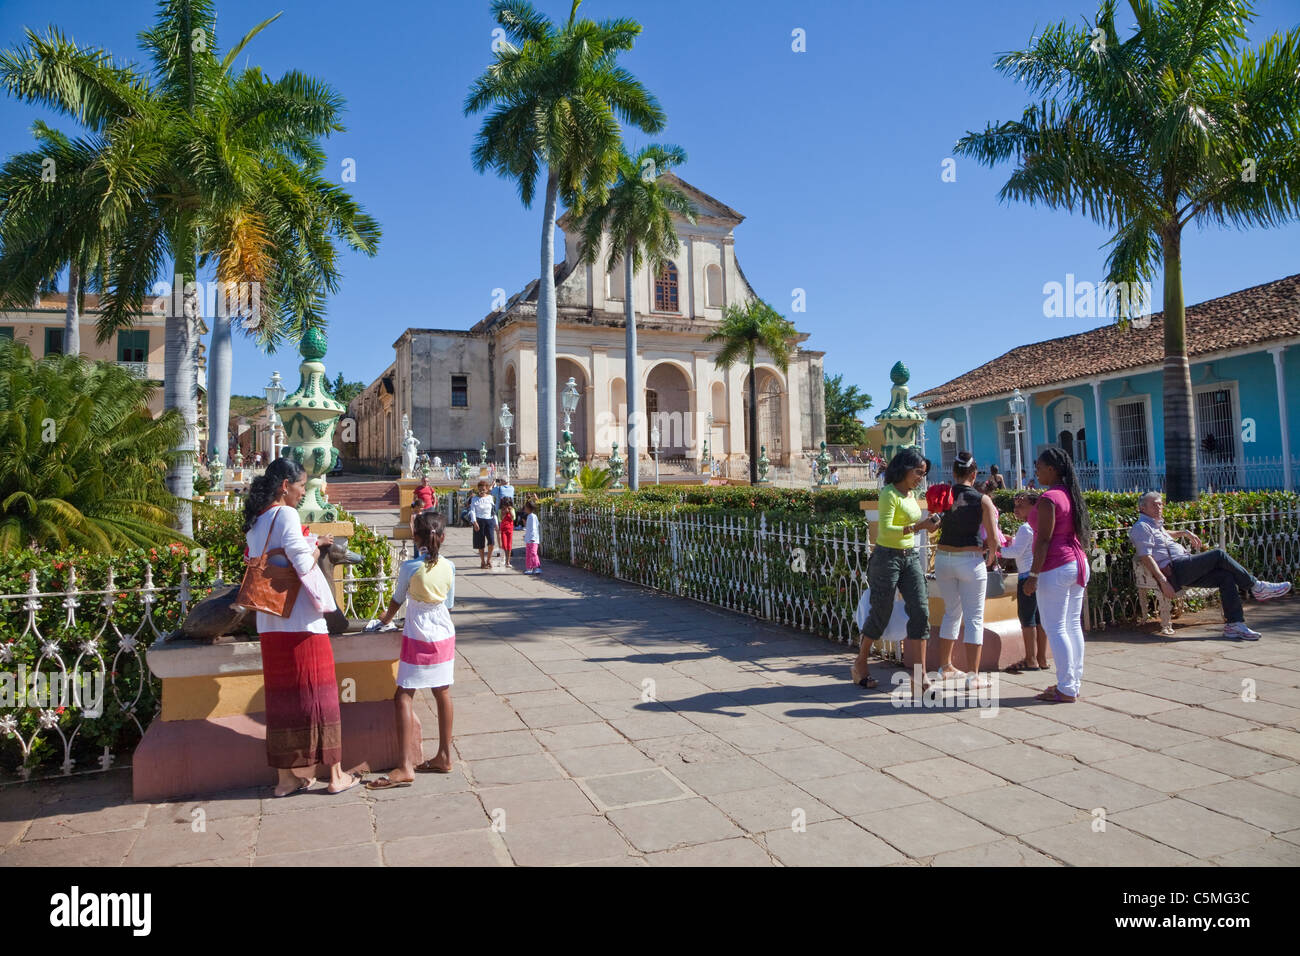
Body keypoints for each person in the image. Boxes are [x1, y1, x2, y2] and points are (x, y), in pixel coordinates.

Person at [243, 458, 362, 796]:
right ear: (285, 485)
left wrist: (307, 543)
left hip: (269, 620)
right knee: (320, 695)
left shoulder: (257, 520)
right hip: (301, 622)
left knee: (281, 701)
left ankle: (284, 780)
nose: (302, 493)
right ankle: (336, 775)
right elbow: (298, 562)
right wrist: (317, 546)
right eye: (301, 486)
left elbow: (269, 558)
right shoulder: (287, 515)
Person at [363, 511, 456, 787]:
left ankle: (404, 766)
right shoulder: (449, 567)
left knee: (403, 695)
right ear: (443, 537)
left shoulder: (409, 568)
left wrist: (383, 621)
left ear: (416, 538)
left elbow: (395, 601)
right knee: (443, 691)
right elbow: (448, 603)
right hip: (443, 630)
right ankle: (445, 755)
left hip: (418, 633)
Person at [1130, 492, 1291, 640]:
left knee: (1225, 577)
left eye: (1160, 504)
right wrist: (1163, 582)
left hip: (1184, 566)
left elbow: (1164, 534)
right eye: (1154, 505)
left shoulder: (1154, 524)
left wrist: (1184, 533)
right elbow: (1146, 556)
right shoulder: (1141, 527)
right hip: (1176, 570)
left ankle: (1234, 625)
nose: (1159, 507)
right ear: (1142, 508)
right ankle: (1257, 586)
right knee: (1218, 555)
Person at [850, 447, 940, 693]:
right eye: (918, 472)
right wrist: (919, 526)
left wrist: (930, 522)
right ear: (904, 469)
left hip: (909, 557)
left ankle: (919, 677)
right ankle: (860, 662)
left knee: (921, 610)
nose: (921, 477)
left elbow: (913, 524)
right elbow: (886, 530)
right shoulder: (888, 493)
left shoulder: (912, 495)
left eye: (923, 473)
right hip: (886, 557)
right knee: (881, 610)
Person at [1023, 445, 1091, 703]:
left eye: (1039, 468)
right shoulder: (1070, 494)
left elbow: (1043, 540)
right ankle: (1071, 683)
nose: (1036, 472)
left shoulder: (1050, 498)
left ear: (1052, 469)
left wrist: (1033, 575)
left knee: (1055, 627)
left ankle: (1066, 687)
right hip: (1076, 563)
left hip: (1057, 566)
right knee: (1073, 626)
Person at [933, 452, 1002, 689]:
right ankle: (973, 675)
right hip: (970, 560)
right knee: (974, 617)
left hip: (943, 558)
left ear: (954, 473)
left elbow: (935, 522)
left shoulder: (945, 495)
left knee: (951, 613)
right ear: (974, 475)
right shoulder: (983, 500)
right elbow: (992, 537)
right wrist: (992, 556)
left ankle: (945, 666)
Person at [1003, 492, 1048, 673]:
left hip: (1026, 577)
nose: (1016, 509)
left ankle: (1030, 659)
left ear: (1033, 507)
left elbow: (1015, 553)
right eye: (1015, 505)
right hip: (1040, 575)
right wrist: (1011, 541)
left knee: (1027, 618)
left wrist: (995, 548)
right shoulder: (1038, 526)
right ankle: (1041, 658)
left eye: (1021, 505)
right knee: (1039, 619)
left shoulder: (1025, 528)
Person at [470, 479, 497, 569]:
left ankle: (489, 560)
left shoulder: (490, 498)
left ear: (486, 489)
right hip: (479, 521)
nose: (482, 491)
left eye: (483, 489)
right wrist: (474, 522)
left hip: (489, 520)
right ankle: (482, 561)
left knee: (491, 542)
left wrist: (496, 523)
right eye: (480, 489)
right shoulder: (474, 499)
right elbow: (472, 511)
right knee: (480, 543)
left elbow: (493, 511)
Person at [523, 499, 542, 574]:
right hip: (529, 539)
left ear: (529, 508)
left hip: (533, 539)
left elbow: (534, 528)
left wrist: (533, 538)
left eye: (525, 507)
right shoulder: (529, 516)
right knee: (528, 554)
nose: (525, 509)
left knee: (533, 553)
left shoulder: (532, 516)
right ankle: (529, 568)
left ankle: (537, 567)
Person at [499, 496, 517, 569]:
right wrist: (503, 513)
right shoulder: (500, 510)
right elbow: (500, 519)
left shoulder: (512, 509)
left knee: (509, 546)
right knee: (504, 545)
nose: (506, 507)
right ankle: (503, 560)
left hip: (510, 530)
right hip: (503, 530)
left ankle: (508, 561)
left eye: (508, 505)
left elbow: (513, 518)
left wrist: (509, 511)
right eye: (504, 505)